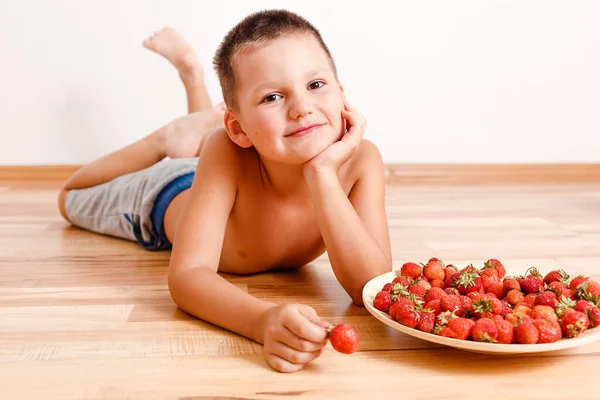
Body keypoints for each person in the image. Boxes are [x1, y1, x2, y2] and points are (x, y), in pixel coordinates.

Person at [58, 9, 392, 373]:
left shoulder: (362, 161)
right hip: (165, 192)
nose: (301, 109)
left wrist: (322, 174)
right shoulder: (226, 149)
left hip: (220, 173)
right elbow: (187, 276)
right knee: (70, 199)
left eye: (315, 85)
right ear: (239, 129)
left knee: (212, 148)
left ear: (342, 96)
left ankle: (191, 85)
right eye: (272, 97)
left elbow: (370, 287)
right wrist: (261, 320)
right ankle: (168, 138)